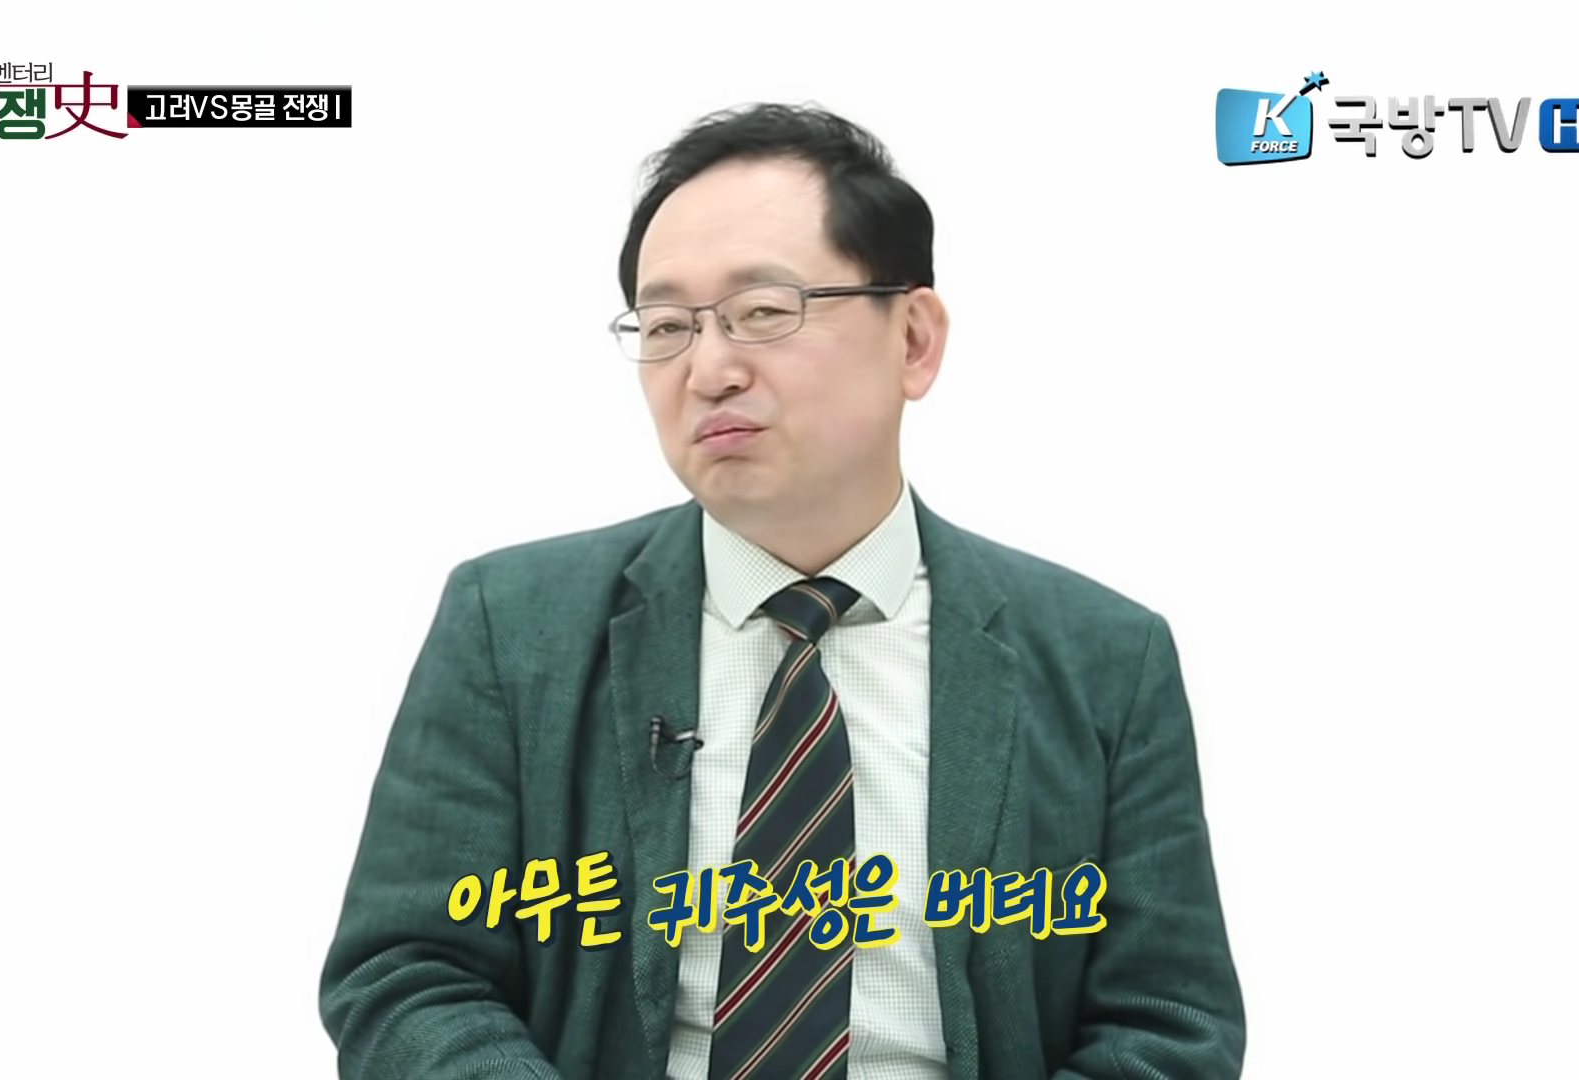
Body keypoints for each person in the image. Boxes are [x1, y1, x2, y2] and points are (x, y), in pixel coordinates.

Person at [319, 102, 1244, 1080]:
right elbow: (404, 973)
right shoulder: (510, 626)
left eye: (763, 311)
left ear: (913, 339)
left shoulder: (1107, 659)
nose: (708, 370)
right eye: (666, 326)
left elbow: (1168, 1021)